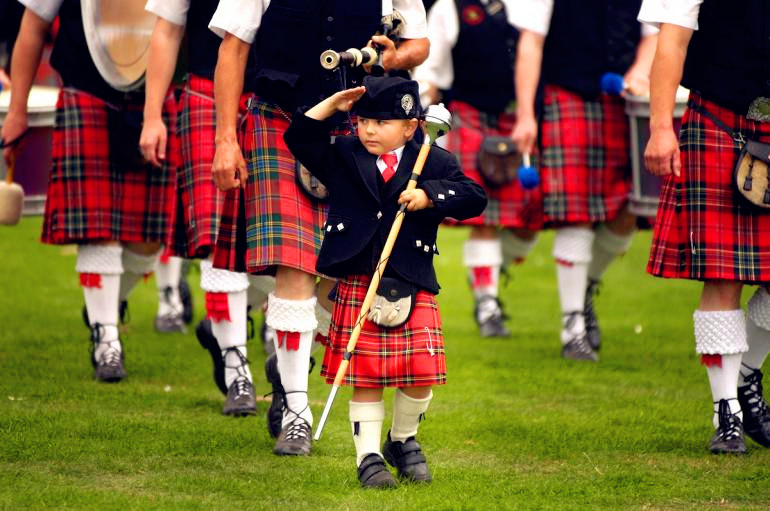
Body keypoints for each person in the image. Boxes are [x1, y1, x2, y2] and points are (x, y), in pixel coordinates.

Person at [208, 0, 430, 455]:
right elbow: (232, 48)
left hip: (358, 125)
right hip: (281, 121)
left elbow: (419, 44)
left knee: (343, 275)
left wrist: (389, 59)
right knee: (295, 266)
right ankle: (296, 411)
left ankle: (288, 360)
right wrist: (226, 139)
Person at [284, 76, 487, 487]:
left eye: (382, 122)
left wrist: (431, 196)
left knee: (421, 376)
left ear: (411, 126)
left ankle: (402, 439)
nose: (369, 130)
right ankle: (369, 458)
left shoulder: (432, 159)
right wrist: (333, 103)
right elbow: (300, 136)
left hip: (411, 279)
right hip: (360, 276)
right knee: (365, 377)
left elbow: (474, 197)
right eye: (363, 121)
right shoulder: (342, 153)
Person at [1, 0, 175, 382]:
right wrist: (17, 111)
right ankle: (106, 339)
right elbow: (32, 27)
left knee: (151, 241)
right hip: (86, 92)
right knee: (97, 229)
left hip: (156, 97)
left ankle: (108, 303)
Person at [640, 0, 770, 454]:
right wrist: (660, 127)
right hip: (719, 118)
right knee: (724, 277)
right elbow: (671, 43)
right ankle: (727, 410)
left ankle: (747, 373)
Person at [141, 0, 276, 417]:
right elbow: (165, 31)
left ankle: (243, 326)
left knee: (278, 243)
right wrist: (152, 117)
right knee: (219, 242)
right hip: (205, 94)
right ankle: (237, 367)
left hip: (279, 103)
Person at [510, 0, 657, 361]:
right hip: (568, 96)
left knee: (631, 211)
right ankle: (572, 326)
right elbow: (531, 43)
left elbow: (656, 33)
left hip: (624, 100)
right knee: (576, 213)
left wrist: (640, 71)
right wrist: (526, 115)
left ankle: (586, 284)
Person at [414, 0, 541, 338]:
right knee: (485, 222)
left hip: (524, 120)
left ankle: (490, 272)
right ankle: (488, 304)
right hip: (471, 117)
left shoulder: (531, 5)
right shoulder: (450, 8)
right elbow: (432, 71)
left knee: (531, 222)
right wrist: (424, 124)